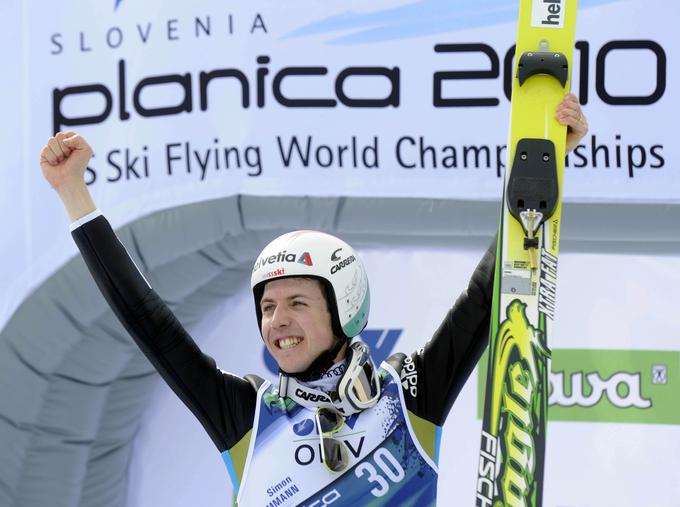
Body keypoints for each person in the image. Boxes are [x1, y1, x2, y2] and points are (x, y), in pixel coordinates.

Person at [40, 94, 587, 506]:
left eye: (296, 302)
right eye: (267, 307)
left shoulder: (408, 393)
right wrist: (74, 195)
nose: (276, 320)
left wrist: (547, 168)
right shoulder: (245, 415)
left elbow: (484, 297)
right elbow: (150, 324)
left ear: (343, 307)